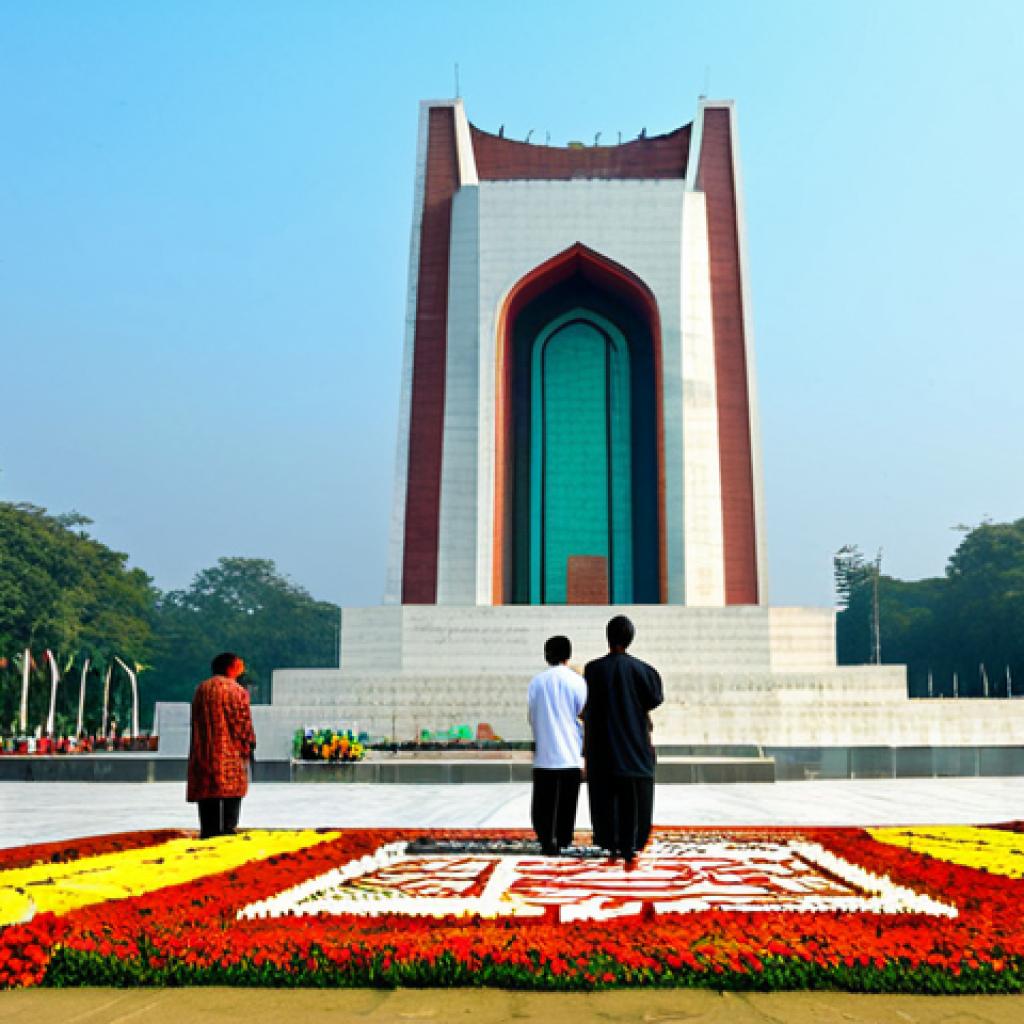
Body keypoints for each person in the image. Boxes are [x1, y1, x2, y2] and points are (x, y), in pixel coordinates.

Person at [584, 615, 664, 864]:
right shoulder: (645, 671)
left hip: (604, 747)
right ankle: (632, 843)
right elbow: (654, 699)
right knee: (634, 797)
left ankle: (610, 842)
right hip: (634, 744)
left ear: (608, 638)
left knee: (606, 797)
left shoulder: (593, 670)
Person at [527, 635, 587, 855]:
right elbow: (582, 713)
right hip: (570, 752)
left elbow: (531, 714)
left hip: (545, 754)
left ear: (547, 655)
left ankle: (545, 838)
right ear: (568, 656)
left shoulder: (537, 682)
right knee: (567, 802)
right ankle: (563, 838)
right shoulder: (577, 681)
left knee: (544, 802)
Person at [186, 652, 256, 840]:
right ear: (231, 668)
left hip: (204, 750)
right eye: (240, 666)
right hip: (229, 751)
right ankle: (227, 828)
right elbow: (242, 722)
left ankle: (208, 830)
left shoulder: (202, 689)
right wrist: (248, 744)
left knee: (207, 792)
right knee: (231, 792)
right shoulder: (237, 691)